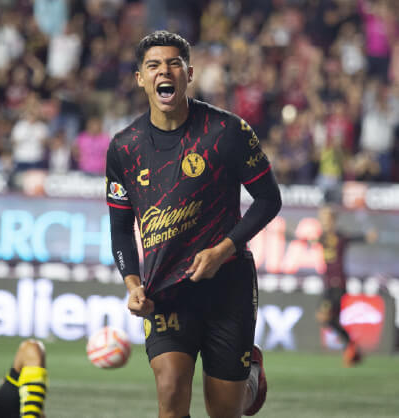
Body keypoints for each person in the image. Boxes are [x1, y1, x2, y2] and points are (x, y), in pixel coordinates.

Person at [106, 31, 282, 417]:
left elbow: (269, 199)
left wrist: (223, 250)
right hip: (165, 290)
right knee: (170, 395)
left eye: (173, 64)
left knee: (223, 412)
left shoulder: (227, 132)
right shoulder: (124, 147)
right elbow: (120, 228)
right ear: (140, 78)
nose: (163, 71)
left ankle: (248, 376)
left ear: (189, 73)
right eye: (153, 65)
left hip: (228, 287)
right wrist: (132, 285)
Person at [315, 205, 378, 367]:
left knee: (325, 317)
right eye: (322, 218)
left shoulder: (340, 236)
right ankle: (352, 348)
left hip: (337, 283)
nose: (324, 222)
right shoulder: (322, 237)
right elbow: (305, 239)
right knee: (330, 320)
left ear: (332, 220)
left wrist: (367, 236)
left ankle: (351, 348)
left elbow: (356, 238)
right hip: (327, 283)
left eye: (326, 218)